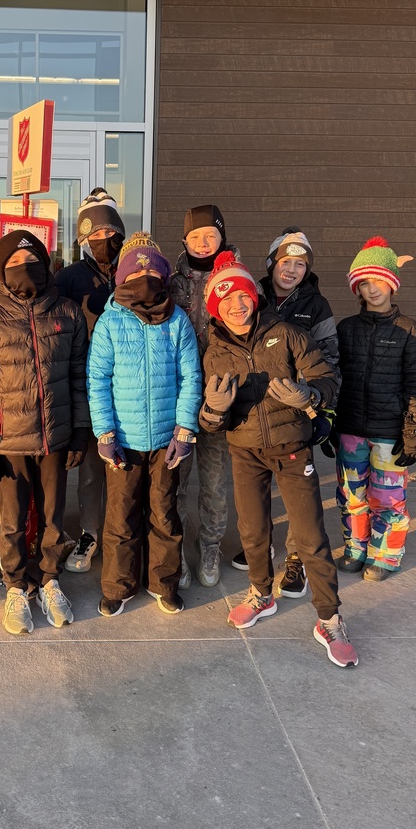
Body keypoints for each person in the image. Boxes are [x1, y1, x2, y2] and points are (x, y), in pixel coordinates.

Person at [200, 251, 357, 668]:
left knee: (310, 536)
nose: (237, 305)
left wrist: (311, 397)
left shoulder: (286, 333)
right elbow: (212, 420)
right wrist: (213, 410)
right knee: (252, 531)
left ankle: (329, 618)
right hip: (245, 451)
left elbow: (326, 377)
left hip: (291, 447)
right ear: (215, 306)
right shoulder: (214, 352)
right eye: (227, 298)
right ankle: (260, 594)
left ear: (255, 297)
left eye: (243, 295)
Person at [0, 230, 91, 635]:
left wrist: (80, 431)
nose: (25, 269)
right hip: (11, 441)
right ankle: (17, 585)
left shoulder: (68, 313)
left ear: (46, 263)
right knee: (13, 521)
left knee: (53, 516)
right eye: (15, 264)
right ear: (2, 272)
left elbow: (79, 378)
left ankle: (50, 580)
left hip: (56, 436)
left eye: (32, 261)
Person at [87, 232, 202, 618]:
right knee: (121, 516)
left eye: (152, 271)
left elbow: (191, 377)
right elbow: (97, 379)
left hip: (166, 440)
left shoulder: (177, 320)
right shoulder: (110, 322)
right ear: (122, 276)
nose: (144, 278)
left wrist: (184, 430)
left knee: (164, 514)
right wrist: (105, 433)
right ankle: (118, 585)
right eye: (135, 272)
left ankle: (163, 583)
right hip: (124, 439)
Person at [235, 226, 341, 595]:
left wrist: (323, 408)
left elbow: (330, 359)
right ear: (272, 263)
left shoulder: (316, 305)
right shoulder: (255, 295)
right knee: (257, 489)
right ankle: (260, 547)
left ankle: (296, 557)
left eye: (300, 264)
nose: (291, 269)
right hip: (257, 406)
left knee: (299, 492)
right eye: (285, 261)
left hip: (299, 407)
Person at [334, 237, 416, 580]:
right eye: (364, 283)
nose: (372, 289)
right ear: (357, 289)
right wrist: (331, 424)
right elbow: (335, 378)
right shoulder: (346, 329)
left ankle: (386, 554)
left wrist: (413, 431)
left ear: (392, 282)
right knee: (351, 494)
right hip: (350, 430)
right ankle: (355, 548)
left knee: (387, 496)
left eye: (378, 280)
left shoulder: (410, 331)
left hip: (389, 432)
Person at [55, 187, 126, 575]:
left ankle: (123, 531)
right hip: (88, 383)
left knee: (128, 466)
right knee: (92, 468)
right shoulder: (68, 278)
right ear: (83, 238)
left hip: (133, 384)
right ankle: (89, 531)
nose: (103, 240)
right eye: (94, 234)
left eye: (109, 232)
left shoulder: (136, 268)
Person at [169, 204, 240, 589]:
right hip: (178, 396)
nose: (202, 242)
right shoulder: (171, 282)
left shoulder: (236, 279)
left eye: (210, 235)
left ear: (222, 237)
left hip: (218, 396)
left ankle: (210, 545)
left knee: (213, 480)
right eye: (194, 236)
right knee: (176, 480)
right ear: (184, 240)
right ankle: (176, 547)